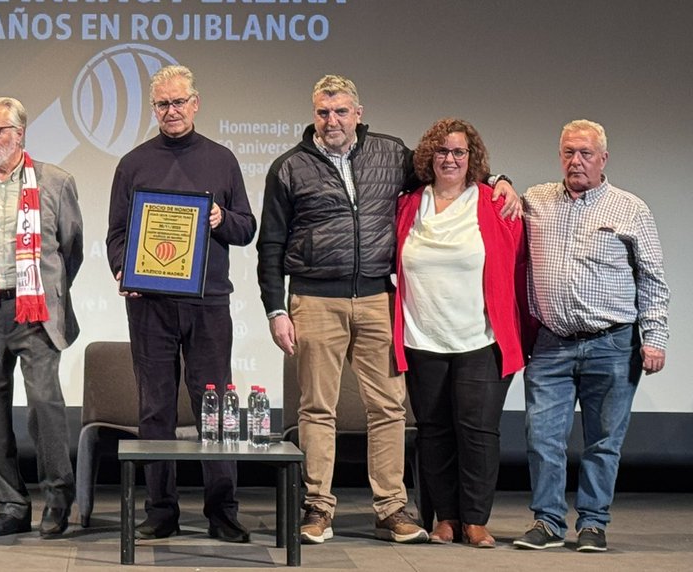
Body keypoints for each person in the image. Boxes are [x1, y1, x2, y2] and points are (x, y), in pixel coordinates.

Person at [257, 75, 518, 546]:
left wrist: (498, 179)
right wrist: (276, 309)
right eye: (322, 111)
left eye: (340, 111)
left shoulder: (392, 153)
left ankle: (392, 509)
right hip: (314, 299)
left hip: (379, 297)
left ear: (358, 112)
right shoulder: (289, 167)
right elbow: (270, 243)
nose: (331, 120)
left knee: (389, 407)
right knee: (317, 408)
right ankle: (317, 508)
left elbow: (451, 173)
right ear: (313, 114)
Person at [106, 64, 256, 543]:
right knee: (155, 408)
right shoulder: (133, 163)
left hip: (209, 302)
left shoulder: (222, 159)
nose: (171, 111)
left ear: (196, 103)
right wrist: (122, 270)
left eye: (178, 102)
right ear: (153, 109)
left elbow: (247, 228)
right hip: (150, 302)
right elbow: (117, 235)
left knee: (215, 407)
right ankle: (160, 511)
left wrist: (220, 217)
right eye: (162, 104)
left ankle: (222, 511)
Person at [513, 120, 669, 553]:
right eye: (567, 152)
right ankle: (546, 521)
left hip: (613, 344)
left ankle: (593, 524)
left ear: (603, 158)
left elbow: (653, 280)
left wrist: (654, 338)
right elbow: (498, 201)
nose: (575, 161)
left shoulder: (629, 207)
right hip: (551, 343)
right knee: (542, 438)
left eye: (584, 153)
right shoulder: (537, 199)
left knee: (603, 442)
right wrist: (501, 182)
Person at [392, 119, 529, 548]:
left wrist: (504, 181)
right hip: (422, 336)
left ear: (473, 160)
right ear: (428, 158)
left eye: (459, 153)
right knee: (433, 432)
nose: (450, 160)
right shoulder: (408, 204)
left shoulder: (494, 202)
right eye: (442, 152)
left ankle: (475, 519)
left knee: (478, 432)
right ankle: (445, 518)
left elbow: (520, 267)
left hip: (480, 339)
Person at [0, 97, 84, 539]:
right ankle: (11, 503)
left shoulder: (55, 181)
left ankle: (58, 499)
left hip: (35, 309)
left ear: (20, 133)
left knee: (45, 405)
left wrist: (40, 289)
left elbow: (71, 249)